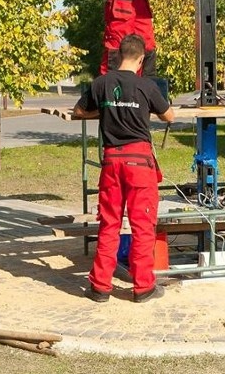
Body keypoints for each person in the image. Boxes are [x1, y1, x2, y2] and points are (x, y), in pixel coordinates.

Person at [73, 34, 176, 303]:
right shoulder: (146, 86)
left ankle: (99, 288)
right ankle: (143, 288)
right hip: (139, 163)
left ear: (118, 56)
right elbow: (169, 116)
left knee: (109, 224)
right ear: (141, 59)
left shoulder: (101, 83)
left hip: (112, 161)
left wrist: (106, 111)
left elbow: (79, 112)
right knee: (142, 227)